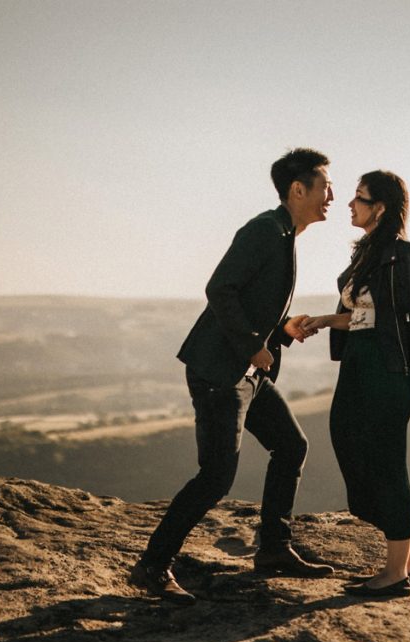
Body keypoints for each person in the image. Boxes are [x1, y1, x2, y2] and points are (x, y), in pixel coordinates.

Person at [129, 148, 336, 605]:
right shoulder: (264, 230)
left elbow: (247, 297)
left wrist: (280, 329)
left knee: (292, 445)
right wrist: (252, 345)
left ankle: (274, 550)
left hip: (246, 372)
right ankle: (152, 565)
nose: (332, 196)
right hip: (220, 372)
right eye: (324, 187)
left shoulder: (284, 233)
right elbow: (219, 288)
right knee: (216, 476)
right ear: (297, 190)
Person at [301, 170, 410, 598]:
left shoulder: (403, 255)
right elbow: (364, 314)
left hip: (384, 371)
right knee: (353, 443)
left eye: (359, 198)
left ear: (380, 207)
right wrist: (325, 320)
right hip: (361, 367)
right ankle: (406, 565)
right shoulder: (368, 255)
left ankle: (396, 572)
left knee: (385, 463)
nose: (349, 204)